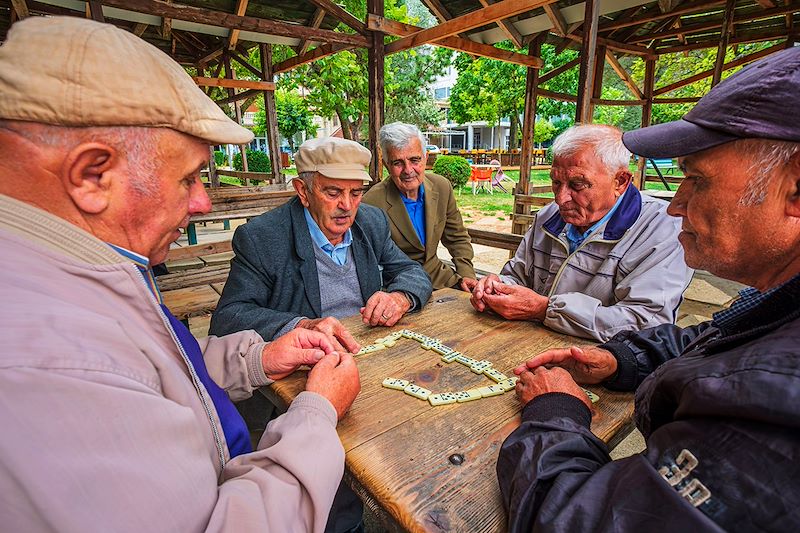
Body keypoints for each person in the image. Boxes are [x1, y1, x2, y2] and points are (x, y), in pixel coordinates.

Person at [0, 17, 361, 532]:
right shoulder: (45, 363)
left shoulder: (78, 266)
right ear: (91, 175)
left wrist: (257, 358)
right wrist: (316, 411)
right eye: (188, 177)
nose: (202, 201)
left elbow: (156, 375)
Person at [497, 47, 800, 531]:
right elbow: (704, 339)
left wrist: (555, 413)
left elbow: (574, 521)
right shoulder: (773, 304)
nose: (676, 204)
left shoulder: (775, 408)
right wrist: (622, 360)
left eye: (696, 180)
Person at [465, 124, 692, 341]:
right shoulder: (549, 217)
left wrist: (545, 310)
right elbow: (518, 276)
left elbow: (646, 323)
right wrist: (497, 285)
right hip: (529, 345)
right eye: (556, 182)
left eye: (578, 185)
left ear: (620, 181)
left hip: (601, 366)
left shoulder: (662, 228)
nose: (560, 198)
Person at [363, 122, 476, 290]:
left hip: (441, 280)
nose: (408, 170)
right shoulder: (371, 203)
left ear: (425, 158)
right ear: (386, 165)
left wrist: (467, 274)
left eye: (414, 160)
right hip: (399, 289)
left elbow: (457, 237)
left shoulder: (442, 187)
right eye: (398, 163)